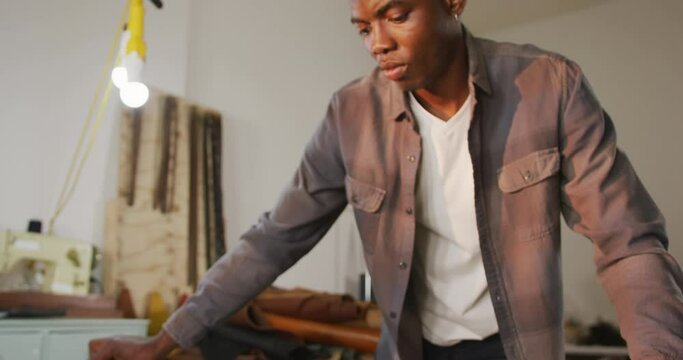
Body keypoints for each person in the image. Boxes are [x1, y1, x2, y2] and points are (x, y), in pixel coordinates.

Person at [89, 0, 683, 359]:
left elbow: (627, 241)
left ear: (453, 0)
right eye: (363, 26)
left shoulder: (550, 87)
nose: (378, 43)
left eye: (397, 15)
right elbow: (272, 240)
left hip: (516, 347)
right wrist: (167, 339)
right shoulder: (350, 116)